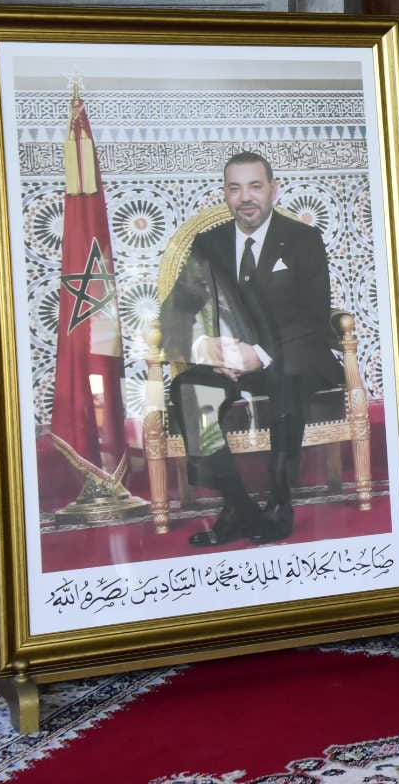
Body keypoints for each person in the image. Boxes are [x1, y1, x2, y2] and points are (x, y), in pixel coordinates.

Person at [159, 151, 344, 547]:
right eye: (235, 188)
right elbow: (174, 311)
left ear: (273, 189)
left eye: (255, 186)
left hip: (293, 357)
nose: (246, 197)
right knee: (190, 391)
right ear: (224, 194)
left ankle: (280, 504)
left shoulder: (302, 239)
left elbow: (313, 317)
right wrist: (207, 349)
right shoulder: (209, 245)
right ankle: (238, 505)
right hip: (230, 360)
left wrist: (257, 354)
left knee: (287, 377)